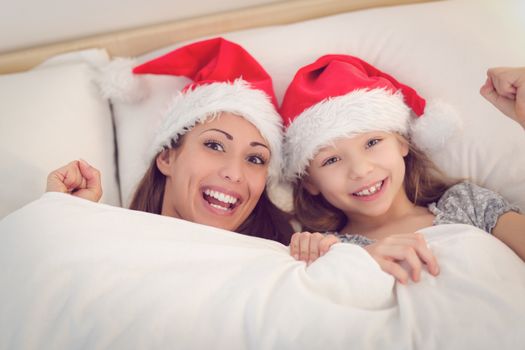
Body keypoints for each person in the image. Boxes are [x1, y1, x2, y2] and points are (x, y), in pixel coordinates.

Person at [279, 54, 525, 281]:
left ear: (402, 143)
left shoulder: (466, 204)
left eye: (372, 142)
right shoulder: (328, 250)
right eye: (331, 160)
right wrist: (321, 260)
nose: (361, 170)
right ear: (309, 181)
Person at [46, 37, 293, 244]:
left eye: (255, 158)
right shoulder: (107, 245)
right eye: (214, 145)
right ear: (166, 157)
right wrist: (68, 220)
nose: (235, 173)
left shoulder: (287, 266)